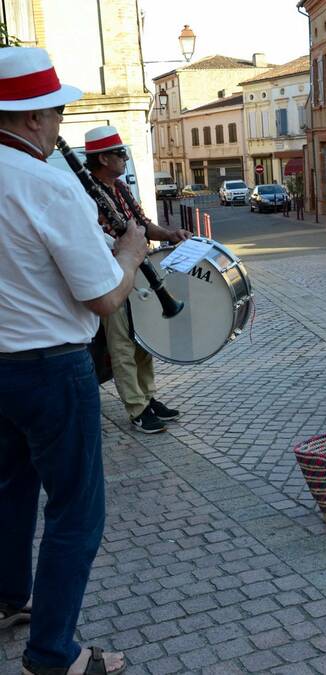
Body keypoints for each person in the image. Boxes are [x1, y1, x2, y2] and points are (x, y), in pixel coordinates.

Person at [0, 47, 148, 674]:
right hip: (51, 366)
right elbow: (105, 297)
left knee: (9, 489)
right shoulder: (47, 182)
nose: (60, 123)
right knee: (76, 511)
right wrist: (133, 251)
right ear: (34, 117)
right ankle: (54, 653)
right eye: (56, 111)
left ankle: (9, 598)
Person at [84, 126, 191, 434]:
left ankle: (147, 396)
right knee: (121, 343)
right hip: (108, 275)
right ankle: (136, 407)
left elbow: (142, 225)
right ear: (103, 158)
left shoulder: (118, 186)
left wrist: (170, 234)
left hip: (135, 270)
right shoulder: (87, 192)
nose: (124, 158)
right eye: (119, 154)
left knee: (143, 338)